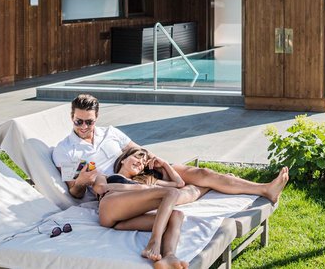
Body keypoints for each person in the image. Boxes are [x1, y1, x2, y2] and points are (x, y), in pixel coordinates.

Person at [53, 94, 289, 205]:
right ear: (71, 117)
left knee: (202, 173)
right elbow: (75, 192)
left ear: (97, 118)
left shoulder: (110, 132)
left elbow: (138, 149)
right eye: (78, 121)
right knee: (177, 192)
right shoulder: (65, 150)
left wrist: (152, 159)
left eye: (89, 122)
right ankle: (210, 187)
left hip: (142, 169)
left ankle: (265, 189)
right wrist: (81, 182)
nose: (84, 127)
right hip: (123, 185)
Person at [90, 147, 203, 269]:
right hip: (109, 207)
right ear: (123, 159)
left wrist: (164, 164)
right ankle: (154, 241)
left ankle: (169, 256)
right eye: (137, 157)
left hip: (122, 221)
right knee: (171, 192)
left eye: (144, 163)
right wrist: (141, 188)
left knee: (176, 215)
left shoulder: (145, 181)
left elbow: (179, 184)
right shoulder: (106, 176)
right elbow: (100, 188)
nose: (140, 163)